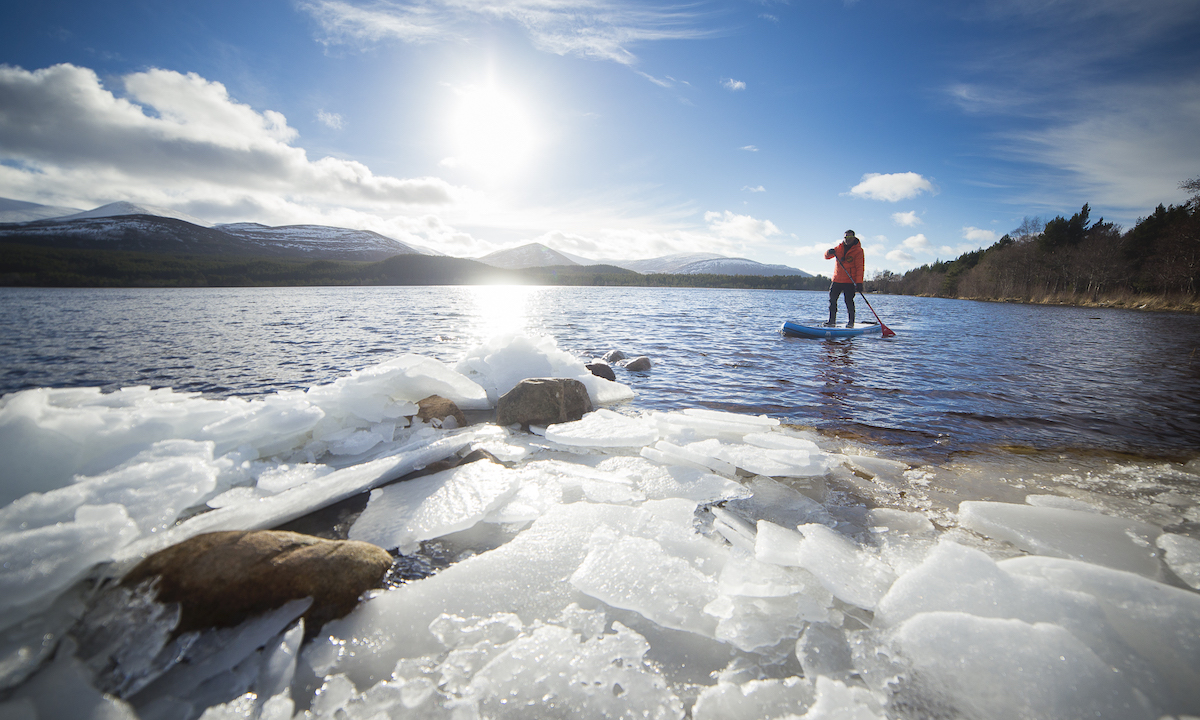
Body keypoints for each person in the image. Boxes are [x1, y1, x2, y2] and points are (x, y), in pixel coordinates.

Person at [824, 230, 864, 327]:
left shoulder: (858, 251)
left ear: (854, 238)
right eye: (846, 237)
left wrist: (859, 283)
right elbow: (826, 257)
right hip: (837, 279)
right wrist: (829, 252)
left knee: (849, 301)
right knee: (832, 300)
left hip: (849, 281)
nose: (847, 240)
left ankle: (851, 322)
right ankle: (831, 321)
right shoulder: (839, 248)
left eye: (849, 238)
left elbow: (860, 267)